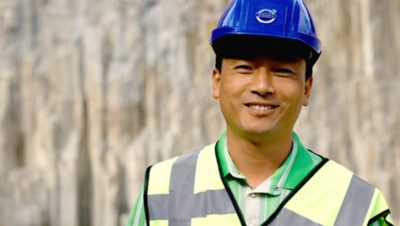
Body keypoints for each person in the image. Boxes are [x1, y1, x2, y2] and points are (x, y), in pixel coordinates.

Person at [126, 0, 394, 225]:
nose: (262, 86)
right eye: (245, 68)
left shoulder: (358, 207)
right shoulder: (160, 191)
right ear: (217, 81)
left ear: (307, 89)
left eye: (282, 71)